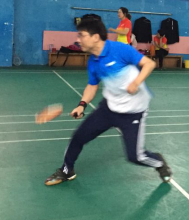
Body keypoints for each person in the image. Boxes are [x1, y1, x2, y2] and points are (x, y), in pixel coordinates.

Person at [45, 17, 172, 186]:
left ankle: (160, 162)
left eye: (81, 35)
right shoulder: (93, 61)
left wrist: (135, 83)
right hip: (109, 108)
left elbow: (149, 64)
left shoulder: (120, 49)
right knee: (78, 137)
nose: (78, 39)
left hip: (133, 112)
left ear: (95, 37)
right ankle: (67, 170)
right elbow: (92, 85)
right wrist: (82, 105)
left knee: (136, 156)